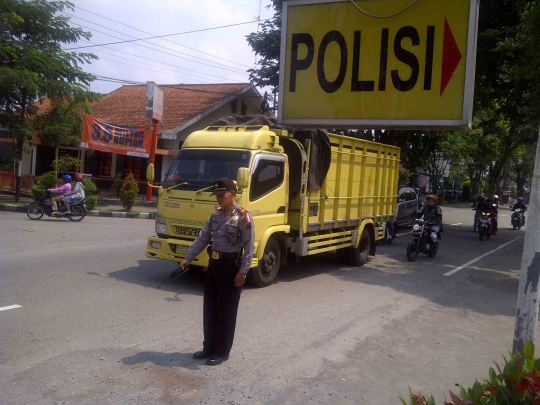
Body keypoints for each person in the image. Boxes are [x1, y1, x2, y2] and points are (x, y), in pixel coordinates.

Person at [179, 177, 254, 366]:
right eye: (217, 195)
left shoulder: (244, 217)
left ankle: (222, 351)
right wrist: (188, 258)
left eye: (222, 194)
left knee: (226, 311)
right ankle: (208, 347)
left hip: (231, 268)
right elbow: (203, 238)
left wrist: (243, 272)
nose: (219, 198)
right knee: (210, 308)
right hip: (214, 265)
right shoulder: (215, 215)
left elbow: (249, 247)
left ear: (233, 193)